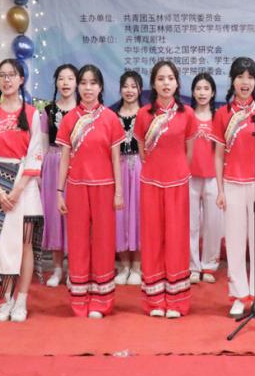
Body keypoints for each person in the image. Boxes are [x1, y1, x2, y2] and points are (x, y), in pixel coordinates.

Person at [56, 64, 125, 319]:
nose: (87, 88)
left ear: (101, 87)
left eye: (93, 83)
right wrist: (59, 191)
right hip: (76, 187)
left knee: (104, 243)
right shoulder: (69, 119)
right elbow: (64, 158)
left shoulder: (111, 118)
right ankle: (79, 298)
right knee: (77, 243)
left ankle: (101, 300)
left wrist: (119, 191)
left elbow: (116, 158)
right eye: (83, 83)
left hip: (105, 188)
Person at [213, 57, 255, 318]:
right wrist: (220, 189)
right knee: (235, 241)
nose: (245, 82)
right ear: (232, 80)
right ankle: (239, 295)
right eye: (240, 76)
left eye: (250, 77)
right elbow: (218, 154)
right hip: (232, 184)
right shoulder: (222, 114)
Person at [0, 59, 45, 322]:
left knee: (25, 244)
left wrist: (17, 191)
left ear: (21, 79)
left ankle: (22, 300)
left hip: (25, 188)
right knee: (3, 245)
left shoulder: (32, 114)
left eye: (12, 75)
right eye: (2, 76)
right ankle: (6, 299)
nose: (7, 80)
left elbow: (36, 153)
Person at [134, 60, 198, 318]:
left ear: (177, 83)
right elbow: (142, 152)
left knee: (176, 238)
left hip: (178, 183)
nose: (166, 83)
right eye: (160, 79)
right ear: (153, 84)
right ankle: (155, 301)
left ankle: (176, 300)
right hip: (150, 182)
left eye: (170, 78)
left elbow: (189, 152)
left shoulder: (187, 114)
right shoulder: (143, 114)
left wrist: (177, 171)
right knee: (152, 239)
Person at [40, 64, 77, 287]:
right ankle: (56, 270)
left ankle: (75, 269)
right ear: (55, 82)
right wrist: (40, 173)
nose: (65, 83)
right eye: (61, 78)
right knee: (55, 218)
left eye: (70, 78)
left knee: (75, 218)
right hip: (53, 165)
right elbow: (43, 144)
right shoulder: (48, 111)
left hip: (77, 166)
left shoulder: (83, 110)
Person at [189, 73, 223, 284]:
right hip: (190, 176)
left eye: (206, 88)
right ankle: (192, 266)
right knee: (190, 225)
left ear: (213, 93)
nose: (202, 93)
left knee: (213, 224)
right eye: (198, 88)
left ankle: (209, 265)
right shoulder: (186, 115)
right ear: (193, 92)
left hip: (213, 178)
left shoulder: (219, 117)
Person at [113, 71, 144, 286]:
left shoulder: (146, 114)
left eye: (134, 86)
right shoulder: (112, 116)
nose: (129, 90)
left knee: (140, 216)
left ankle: (137, 267)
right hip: (119, 168)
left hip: (141, 168)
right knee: (120, 216)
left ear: (140, 89)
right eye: (126, 86)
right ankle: (124, 266)